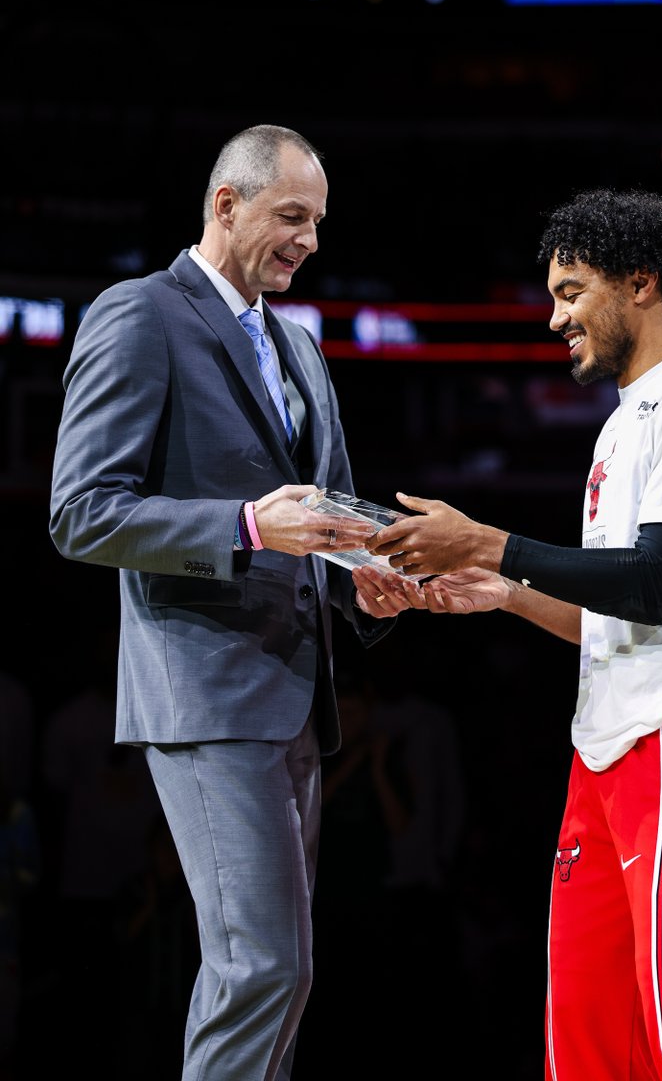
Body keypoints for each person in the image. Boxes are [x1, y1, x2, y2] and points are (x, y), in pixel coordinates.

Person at [352, 188, 662, 1081]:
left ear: (641, 282)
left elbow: (652, 584)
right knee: (588, 1037)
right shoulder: (619, 427)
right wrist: (503, 594)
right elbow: (617, 612)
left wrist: (489, 543)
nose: (554, 318)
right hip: (606, 752)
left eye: (570, 292)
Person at [48, 123, 395, 1081]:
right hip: (205, 693)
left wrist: (381, 580)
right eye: (292, 216)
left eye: (318, 222)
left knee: (283, 975)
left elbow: (328, 519)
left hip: (295, 697)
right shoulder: (140, 314)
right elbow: (81, 513)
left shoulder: (301, 347)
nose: (309, 241)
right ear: (226, 204)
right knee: (260, 969)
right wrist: (244, 525)